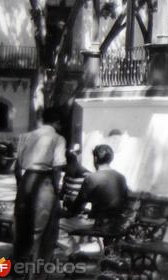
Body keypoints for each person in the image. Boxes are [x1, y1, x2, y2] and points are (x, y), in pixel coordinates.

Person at [13, 106, 67, 274]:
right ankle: (37, 272)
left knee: (22, 227)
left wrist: (21, 186)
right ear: (57, 122)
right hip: (45, 182)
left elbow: (17, 167)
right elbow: (58, 167)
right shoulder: (58, 139)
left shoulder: (26, 136)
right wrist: (56, 190)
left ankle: (19, 270)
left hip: (26, 181)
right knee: (43, 230)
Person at [60, 144, 130, 249]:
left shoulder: (92, 178)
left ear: (95, 158)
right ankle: (86, 249)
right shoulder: (121, 177)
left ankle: (76, 249)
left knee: (56, 224)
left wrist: (64, 212)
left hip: (99, 223)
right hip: (117, 222)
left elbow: (77, 208)